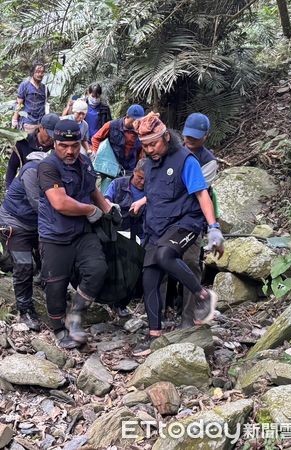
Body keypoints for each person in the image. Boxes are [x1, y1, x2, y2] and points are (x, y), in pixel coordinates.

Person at [130, 112, 224, 354]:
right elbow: (159, 190)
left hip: (185, 222)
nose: (149, 149)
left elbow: (201, 193)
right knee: (149, 279)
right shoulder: (150, 163)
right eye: (145, 146)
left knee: (165, 256)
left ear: (166, 138)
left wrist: (214, 228)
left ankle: (202, 297)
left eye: (153, 144)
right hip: (156, 225)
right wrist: (143, 201)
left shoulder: (186, 160)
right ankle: (154, 336)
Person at [37, 120, 118, 349]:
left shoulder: (83, 162)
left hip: (82, 232)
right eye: (64, 145)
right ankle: (58, 328)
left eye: (74, 145)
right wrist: (90, 210)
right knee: (55, 285)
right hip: (55, 235)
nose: (70, 150)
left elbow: (92, 190)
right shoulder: (48, 167)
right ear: (55, 143)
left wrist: (107, 208)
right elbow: (60, 203)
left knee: (97, 269)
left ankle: (76, 314)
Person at [0, 150, 52, 331]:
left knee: (50, 256)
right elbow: (36, 202)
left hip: (35, 224)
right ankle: (25, 309)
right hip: (14, 222)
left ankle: (45, 284)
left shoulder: (49, 172)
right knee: (23, 266)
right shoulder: (31, 171)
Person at [180, 112, 218, 328]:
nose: (190, 140)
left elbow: (196, 190)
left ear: (205, 136)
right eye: (187, 136)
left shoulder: (208, 161)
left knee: (191, 263)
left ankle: (188, 316)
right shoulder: (174, 149)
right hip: (166, 216)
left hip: (192, 219)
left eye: (195, 137)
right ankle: (157, 316)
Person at [104, 158, 146, 317]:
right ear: (134, 172)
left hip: (140, 233)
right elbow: (106, 199)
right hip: (118, 231)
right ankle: (111, 299)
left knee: (134, 269)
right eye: (139, 178)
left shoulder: (151, 189)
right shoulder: (119, 184)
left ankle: (122, 303)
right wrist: (110, 206)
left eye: (145, 180)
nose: (142, 182)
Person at [5, 113, 59, 189]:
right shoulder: (24, 142)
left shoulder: (57, 146)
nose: (51, 138)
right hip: (28, 183)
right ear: (41, 128)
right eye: (49, 134)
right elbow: (12, 166)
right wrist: (9, 188)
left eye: (54, 136)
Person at [91, 104, 145, 173]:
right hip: (111, 167)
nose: (136, 123)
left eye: (139, 120)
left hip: (130, 168)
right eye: (134, 120)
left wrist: (139, 168)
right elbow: (96, 138)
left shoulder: (141, 131)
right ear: (127, 116)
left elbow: (141, 152)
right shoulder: (112, 125)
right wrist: (97, 154)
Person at [12, 62, 49, 133]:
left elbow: (45, 103)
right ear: (33, 72)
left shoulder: (45, 88)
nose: (40, 74)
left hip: (41, 124)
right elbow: (19, 103)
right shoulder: (25, 86)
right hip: (28, 122)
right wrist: (15, 119)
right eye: (37, 72)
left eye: (42, 72)